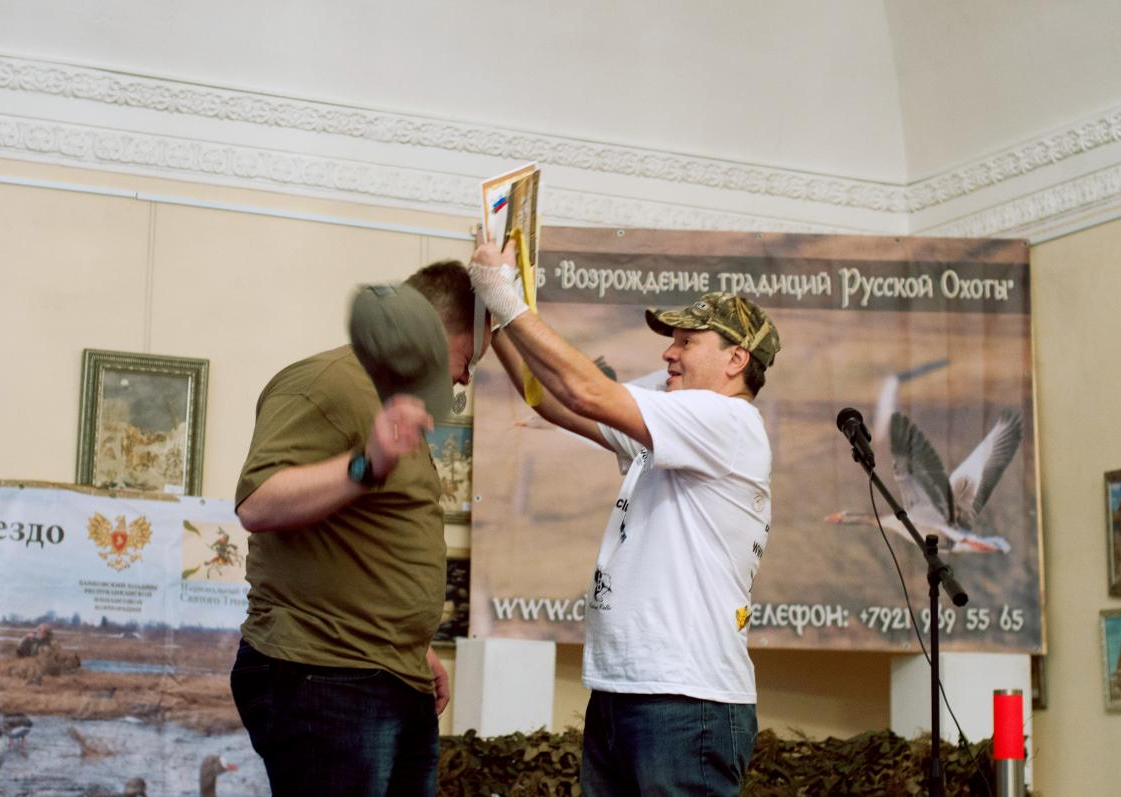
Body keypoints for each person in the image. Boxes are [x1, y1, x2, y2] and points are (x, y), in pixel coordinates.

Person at [469, 240, 780, 796]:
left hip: (686, 702)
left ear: (736, 361)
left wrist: (506, 296)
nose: (669, 354)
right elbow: (553, 400)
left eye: (687, 342)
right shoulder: (682, 417)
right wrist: (499, 322)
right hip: (627, 691)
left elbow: (586, 390)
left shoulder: (725, 420)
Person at [230, 260, 490, 797]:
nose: (466, 377)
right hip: (329, 673)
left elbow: (371, 538)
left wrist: (413, 645)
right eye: (468, 358)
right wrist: (365, 464)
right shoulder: (325, 382)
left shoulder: (395, 402)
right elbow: (258, 502)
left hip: (388, 670)